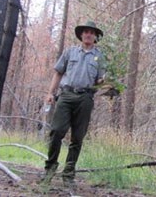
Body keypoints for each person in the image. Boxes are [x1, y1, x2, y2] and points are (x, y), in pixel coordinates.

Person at [42, 21, 106, 187]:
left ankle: (68, 175)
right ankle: (49, 169)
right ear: (81, 35)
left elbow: (100, 81)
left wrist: (105, 82)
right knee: (57, 131)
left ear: (95, 37)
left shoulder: (100, 57)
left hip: (85, 98)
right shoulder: (70, 52)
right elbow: (58, 73)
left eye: (91, 32)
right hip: (66, 95)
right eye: (85, 32)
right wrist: (50, 93)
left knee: (77, 137)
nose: (88, 35)